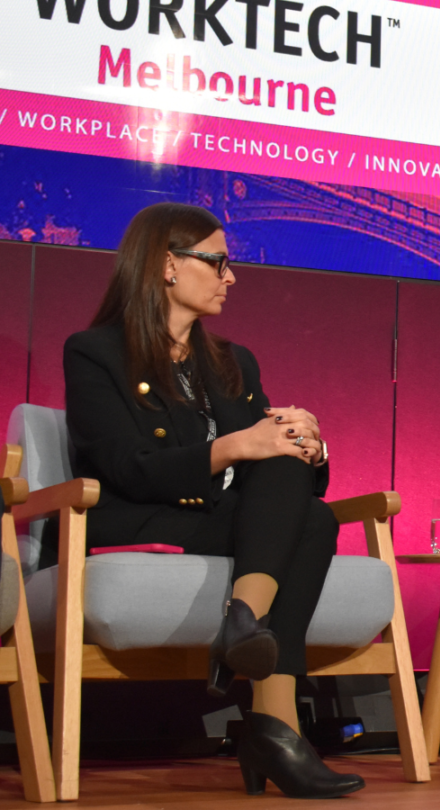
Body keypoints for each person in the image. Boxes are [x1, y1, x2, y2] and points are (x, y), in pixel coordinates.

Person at [56, 203, 366, 797]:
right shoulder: (94, 352)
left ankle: (242, 626)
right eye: (218, 262)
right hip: (145, 517)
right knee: (312, 521)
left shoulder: (232, 362)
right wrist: (233, 448)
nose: (231, 277)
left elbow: (287, 477)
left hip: (230, 519)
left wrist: (309, 444)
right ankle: (274, 723)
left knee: (302, 493)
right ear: (168, 265)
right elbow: (126, 467)